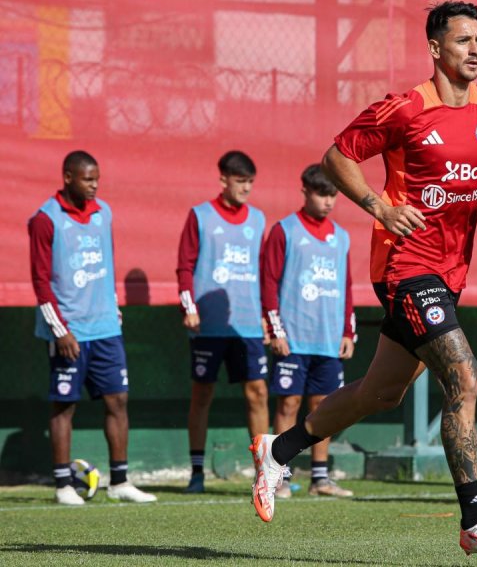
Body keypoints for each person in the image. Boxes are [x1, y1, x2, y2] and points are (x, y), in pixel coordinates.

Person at [248, 1, 477, 560]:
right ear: (435, 48)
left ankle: (278, 449)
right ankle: (475, 520)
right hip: (404, 267)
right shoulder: (405, 108)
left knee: (381, 392)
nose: (474, 50)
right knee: (464, 381)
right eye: (463, 40)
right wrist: (379, 206)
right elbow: (337, 155)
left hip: (449, 273)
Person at [28, 150, 157, 505]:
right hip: (69, 331)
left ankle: (119, 481)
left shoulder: (104, 213)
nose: (94, 185)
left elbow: (107, 264)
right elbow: (40, 280)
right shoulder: (45, 219)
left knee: (118, 400)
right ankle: (62, 485)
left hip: (105, 329)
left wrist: (113, 310)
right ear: (68, 177)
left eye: (97, 178)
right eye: (87, 179)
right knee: (64, 406)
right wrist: (61, 331)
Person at [261, 164, 356, 499]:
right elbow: (269, 282)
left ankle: (320, 478)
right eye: (321, 194)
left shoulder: (341, 237)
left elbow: (346, 286)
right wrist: (276, 330)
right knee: (288, 403)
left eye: (332, 195)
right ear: (305, 191)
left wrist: (348, 330)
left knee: (325, 405)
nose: (328, 201)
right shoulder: (284, 230)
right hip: (293, 337)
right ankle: (279, 475)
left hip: (329, 338)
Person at [176, 150, 269, 493]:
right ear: (224, 180)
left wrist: (265, 315)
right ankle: (197, 473)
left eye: (250, 182)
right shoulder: (200, 216)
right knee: (202, 395)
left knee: (257, 392)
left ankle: (264, 473)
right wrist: (189, 307)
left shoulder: (258, 219)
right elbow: (184, 266)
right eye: (240, 181)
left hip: (246, 325)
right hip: (208, 326)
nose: (246, 188)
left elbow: (264, 273)